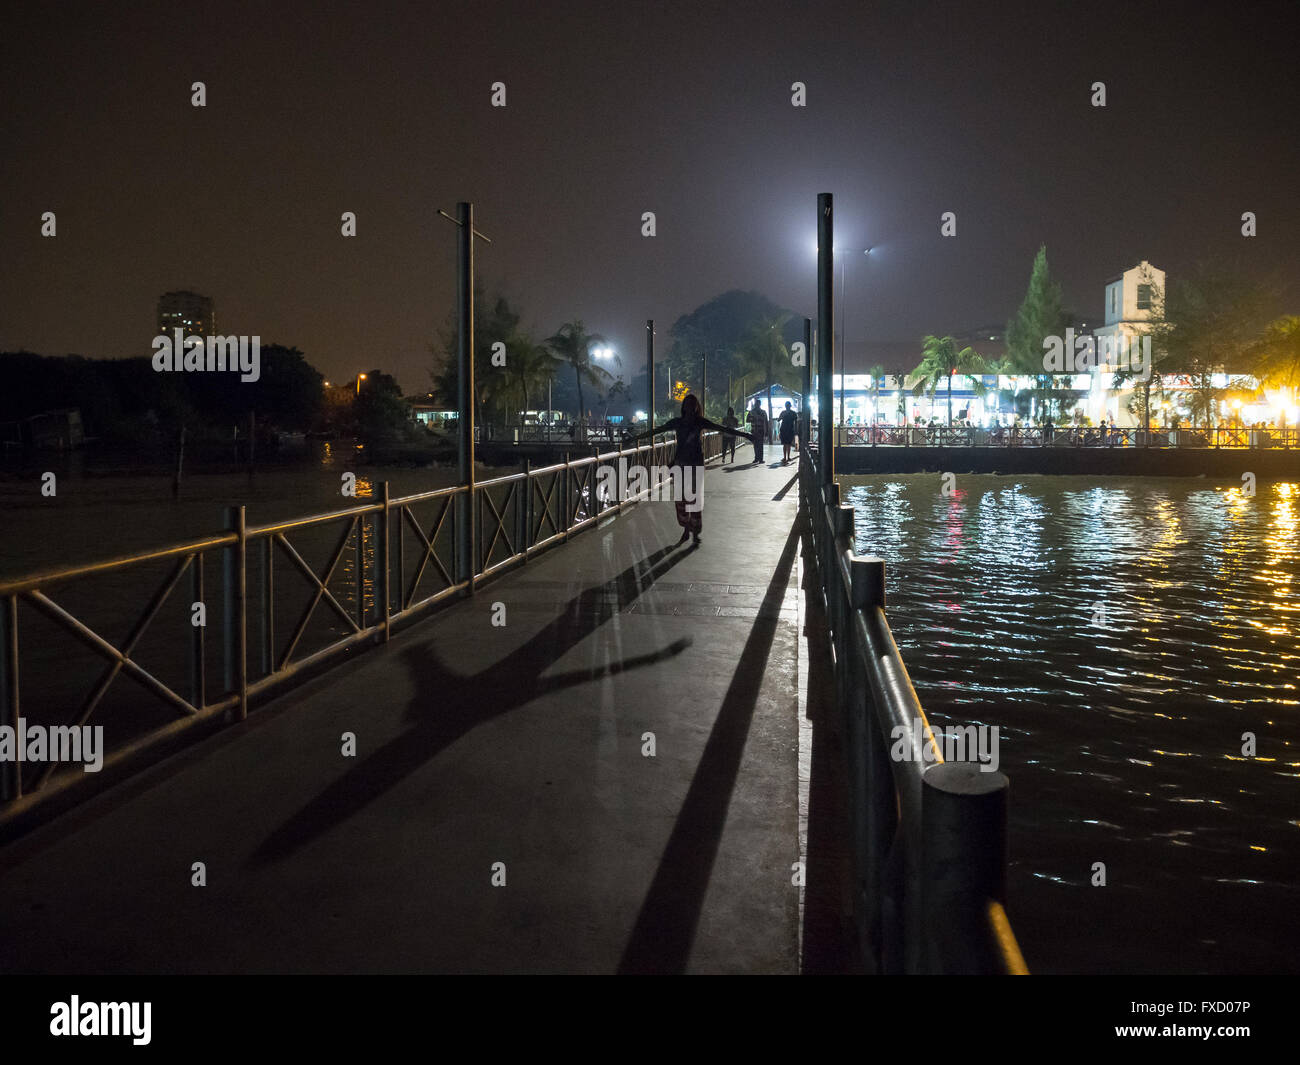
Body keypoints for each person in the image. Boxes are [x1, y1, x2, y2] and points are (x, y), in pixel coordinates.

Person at [628, 394, 753, 546]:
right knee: (681, 499)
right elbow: (656, 431)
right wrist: (634, 439)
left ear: (696, 407)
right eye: (687, 403)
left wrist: (745, 435)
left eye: (692, 404)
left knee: (694, 499)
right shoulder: (677, 422)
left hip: (696, 464)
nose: (689, 407)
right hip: (680, 463)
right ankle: (687, 528)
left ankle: (694, 532)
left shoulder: (700, 422)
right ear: (684, 406)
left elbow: (723, 428)